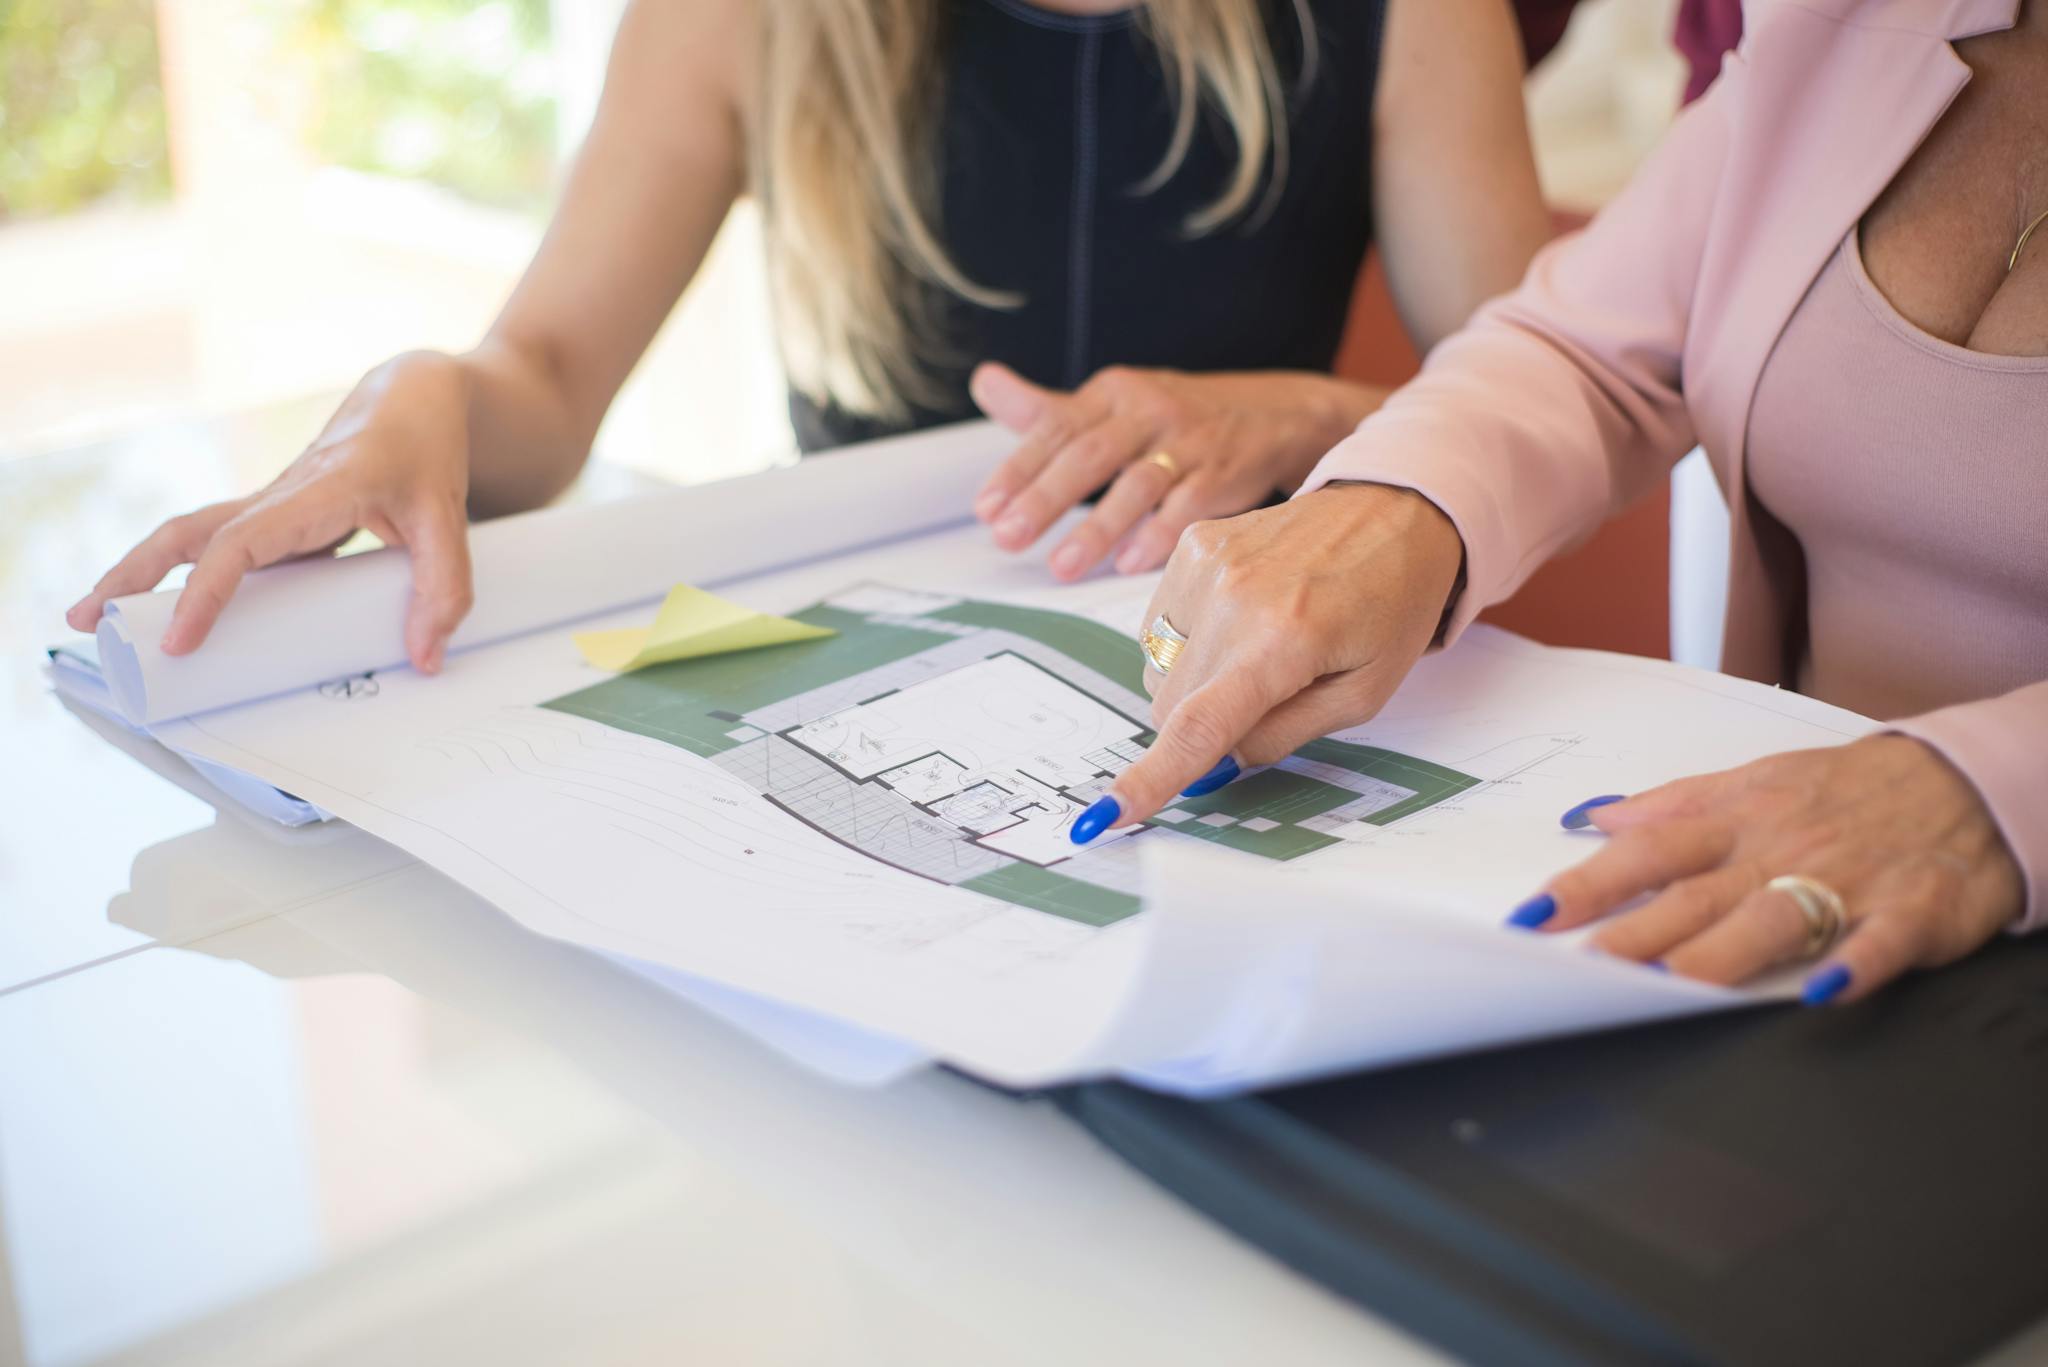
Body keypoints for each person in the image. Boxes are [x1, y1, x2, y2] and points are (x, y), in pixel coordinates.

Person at [68, 0, 1553, 673]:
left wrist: (1300, 416)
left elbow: (1546, 399)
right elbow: (547, 380)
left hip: (1268, 667)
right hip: (853, 683)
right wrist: (410, 401)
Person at [1085, 0, 2048, 1008]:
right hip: (1765, 891)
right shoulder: (1849, 20)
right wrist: (1393, 501)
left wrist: (1982, 795)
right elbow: (1583, 347)